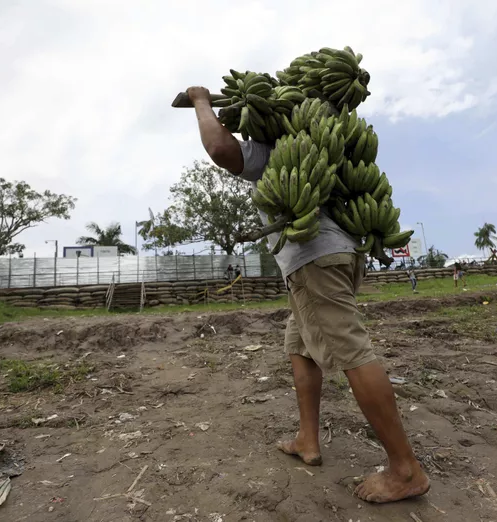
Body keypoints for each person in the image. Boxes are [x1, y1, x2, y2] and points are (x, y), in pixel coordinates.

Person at [184, 86, 429, 503]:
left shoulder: (281, 146)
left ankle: (405, 469)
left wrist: (202, 103)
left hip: (315, 259)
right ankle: (307, 440)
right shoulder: (329, 147)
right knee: (300, 344)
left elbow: (221, 149)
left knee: (350, 349)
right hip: (335, 256)